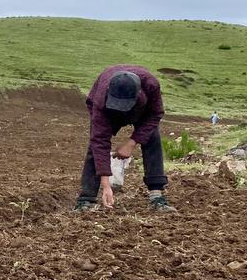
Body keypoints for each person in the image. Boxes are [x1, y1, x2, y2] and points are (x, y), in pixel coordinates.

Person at [73, 66, 175, 213]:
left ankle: (156, 196)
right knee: (95, 146)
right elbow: (100, 140)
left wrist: (131, 143)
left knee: (152, 136)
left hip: (142, 111)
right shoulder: (101, 99)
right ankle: (85, 199)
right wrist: (106, 184)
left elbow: (155, 114)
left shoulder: (151, 85)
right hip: (108, 110)